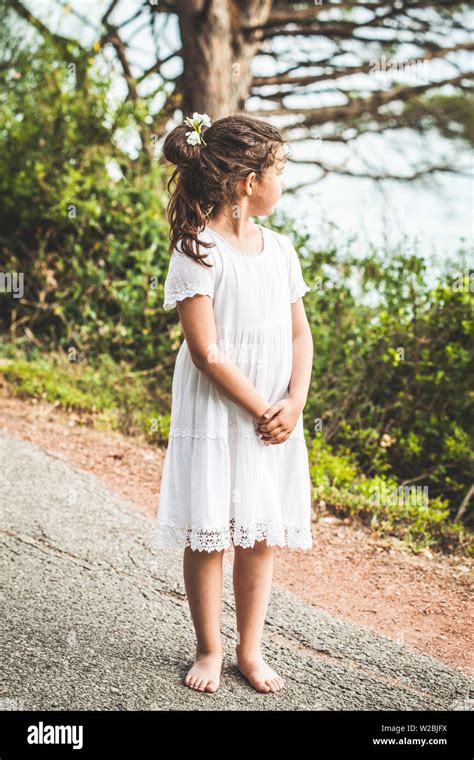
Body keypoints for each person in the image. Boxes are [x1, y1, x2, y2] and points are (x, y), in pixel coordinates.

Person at [155, 112, 314, 695]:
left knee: (258, 531)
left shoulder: (282, 251)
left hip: (273, 414)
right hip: (222, 411)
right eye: (279, 170)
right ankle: (209, 648)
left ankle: (250, 649)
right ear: (248, 181)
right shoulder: (198, 249)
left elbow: (301, 334)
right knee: (211, 531)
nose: (283, 181)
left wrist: (293, 401)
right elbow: (207, 352)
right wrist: (259, 407)